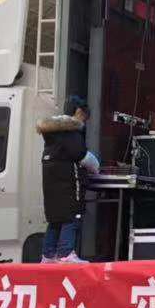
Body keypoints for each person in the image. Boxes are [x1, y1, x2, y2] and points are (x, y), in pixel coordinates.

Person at [37, 95, 99, 264]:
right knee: (71, 214)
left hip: (50, 180)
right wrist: (96, 165)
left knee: (55, 217)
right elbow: (81, 155)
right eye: (84, 117)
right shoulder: (71, 130)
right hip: (67, 179)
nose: (84, 122)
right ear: (78, 112)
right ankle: (66, 253)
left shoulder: (51, 132)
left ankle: (48, 255)